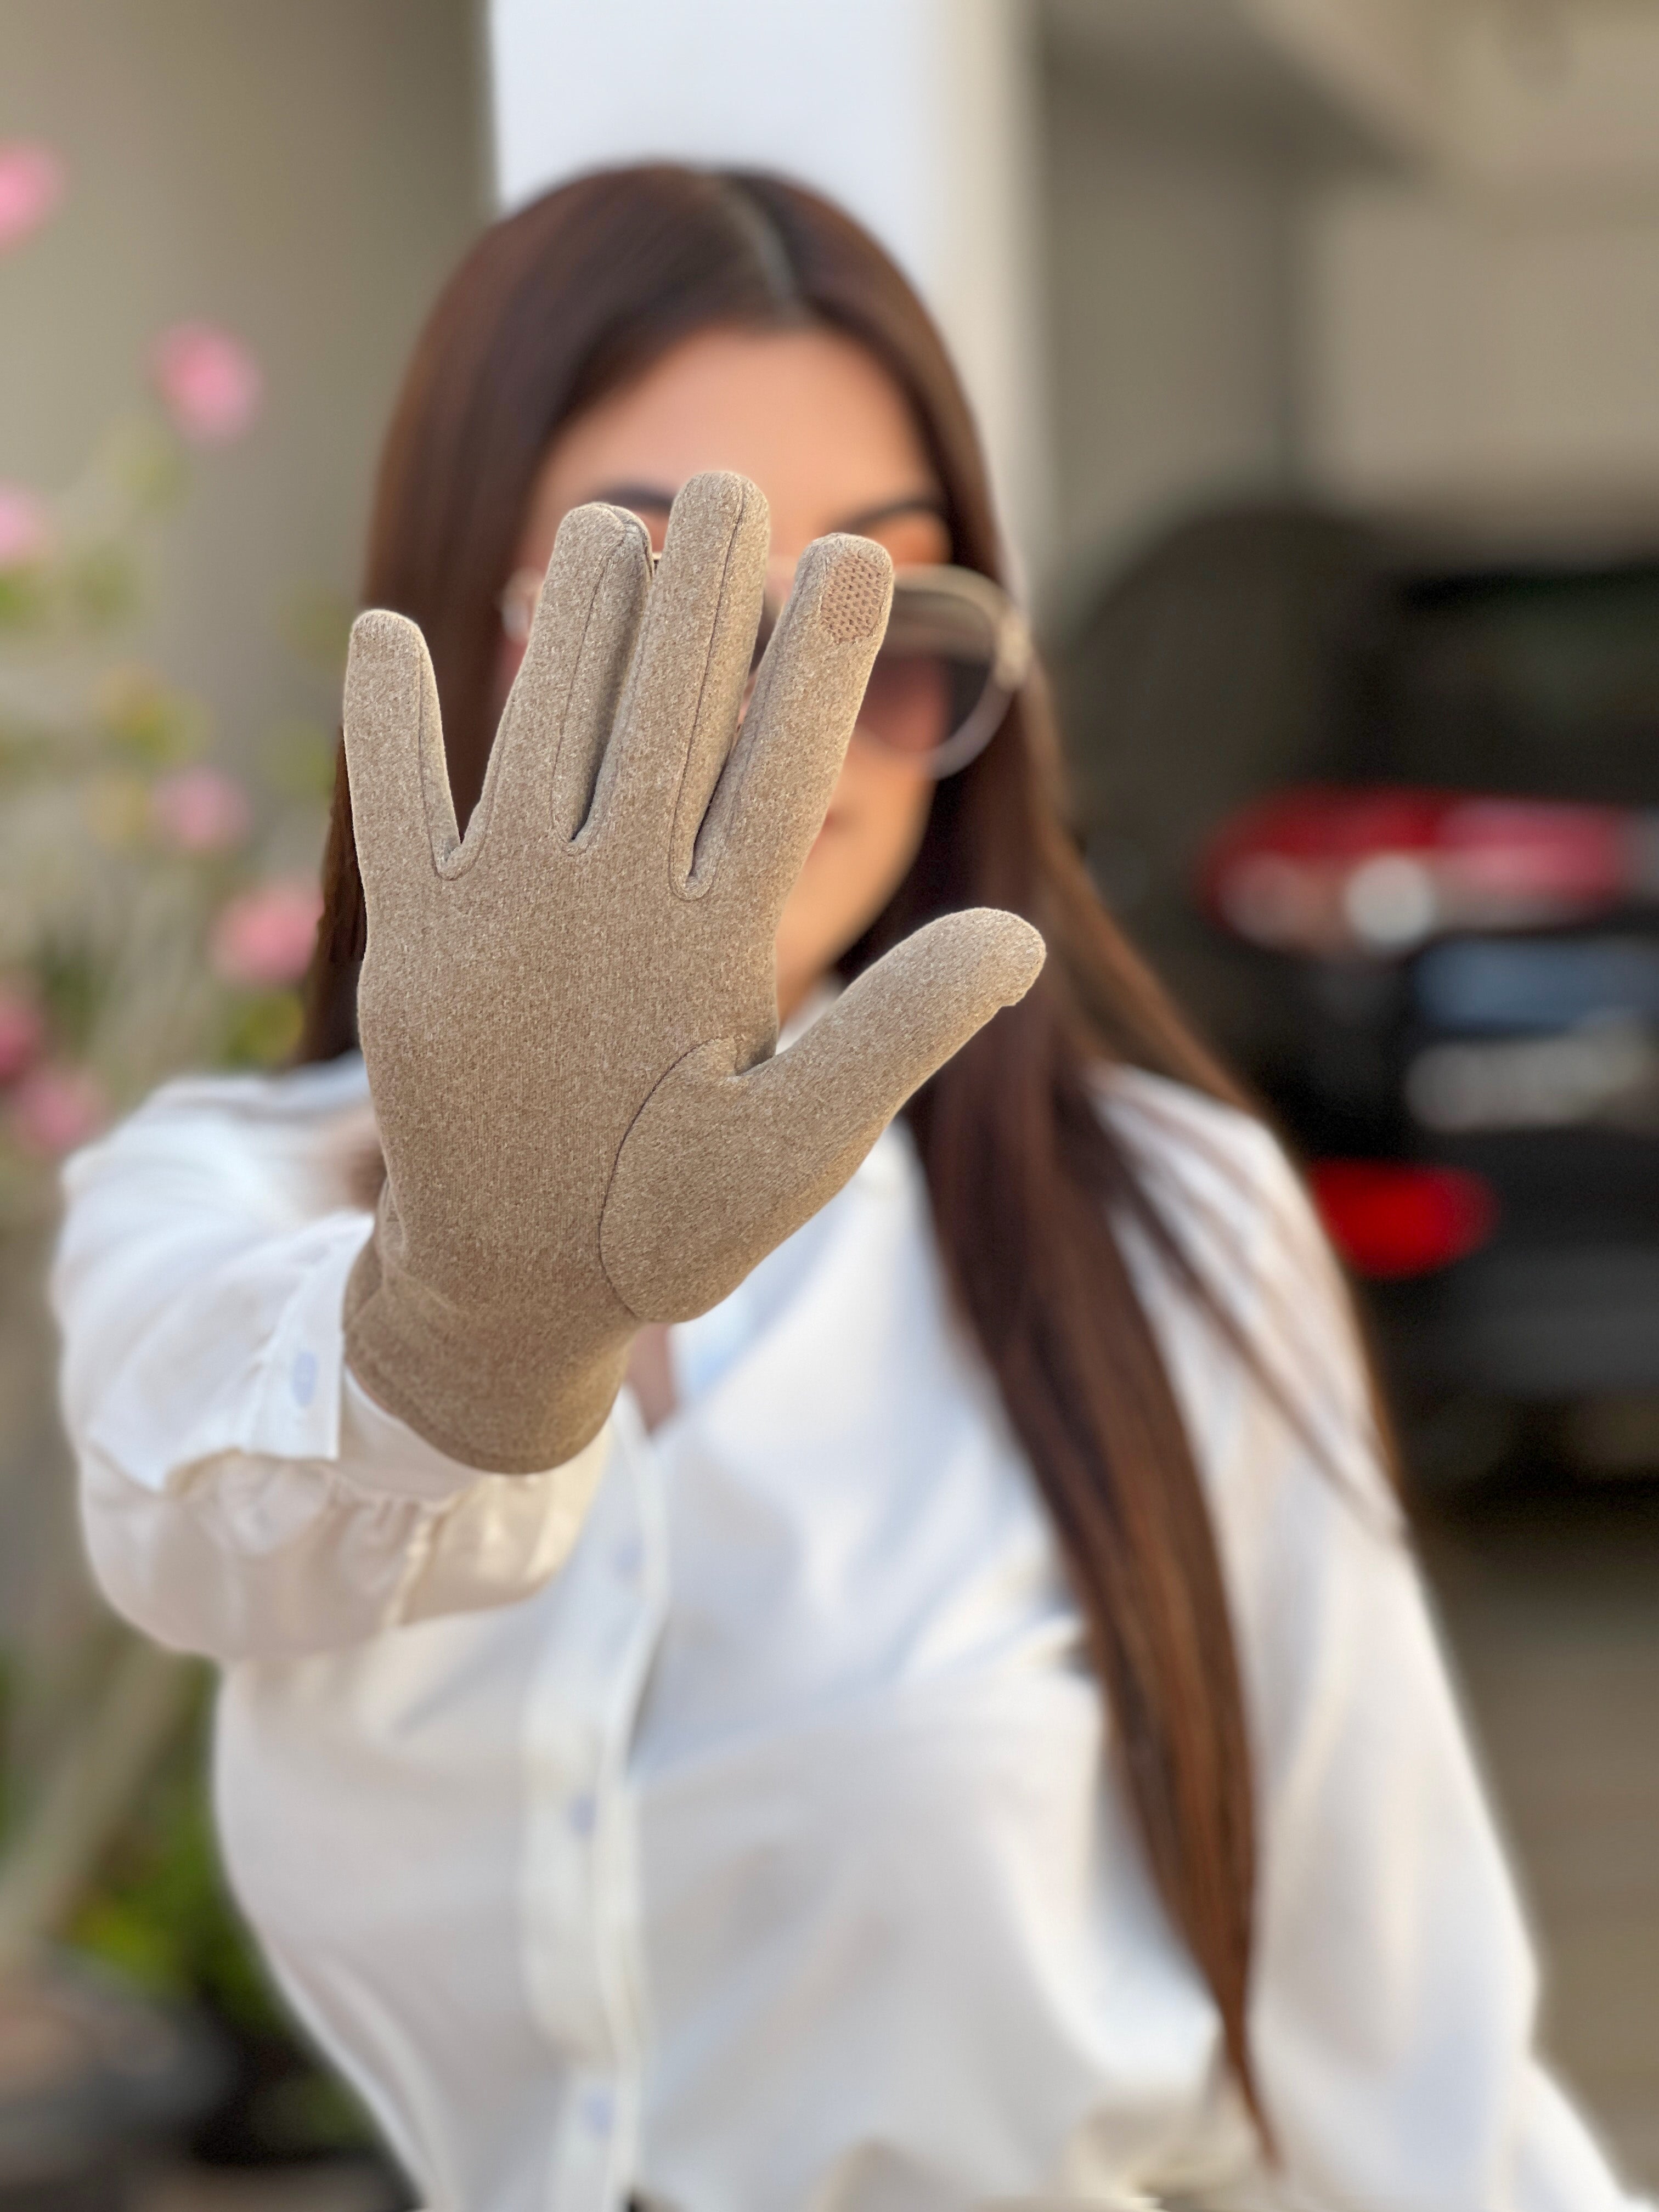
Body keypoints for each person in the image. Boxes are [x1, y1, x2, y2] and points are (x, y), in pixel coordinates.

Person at [53, 166, 1646, 2212]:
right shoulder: (225, 1199)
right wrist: (471, 1322)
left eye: (880, 631)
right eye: (662, 606)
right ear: (455, 633)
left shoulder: (1158, 1223)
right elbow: (211, 1530)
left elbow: (1409, 2058)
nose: (786, 730)